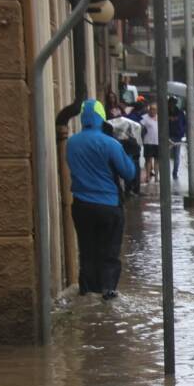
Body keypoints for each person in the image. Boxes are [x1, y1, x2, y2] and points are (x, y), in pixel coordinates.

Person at [66, 99, 136, 299]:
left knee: (87, 252)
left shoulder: (71, 143)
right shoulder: (110, 143)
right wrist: (129, 152)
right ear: (101, 118)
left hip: (81, 206)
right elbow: (129, 173)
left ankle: (88, 294)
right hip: (108, 207)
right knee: (109, 254)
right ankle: (108, 294)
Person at [107, 115, 144, 196]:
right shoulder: (126, 136)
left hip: (132, 155)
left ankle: (133, 189)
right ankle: (130, 189)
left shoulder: (132, 134)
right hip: (129, 155)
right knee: (131, 173)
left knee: (134, 173)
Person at [140, 102, 160, 183]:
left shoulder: (159, 118)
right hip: (148, 142)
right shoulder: (144, 118)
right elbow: (140, 128)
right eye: (151, 109)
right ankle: (148, 176)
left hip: (157, 142)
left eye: (154, 109)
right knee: (148, 160)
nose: (153, 111)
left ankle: (156, 177)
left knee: (157, 160)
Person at [167, 96, 186, 181]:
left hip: (176, 136)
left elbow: (184, 124)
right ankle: (169, 172)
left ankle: (175, 173)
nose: (172, 105)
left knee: (176, 156)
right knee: (169, 156)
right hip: (168, 136)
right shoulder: (166, 112)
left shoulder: (180, 113)